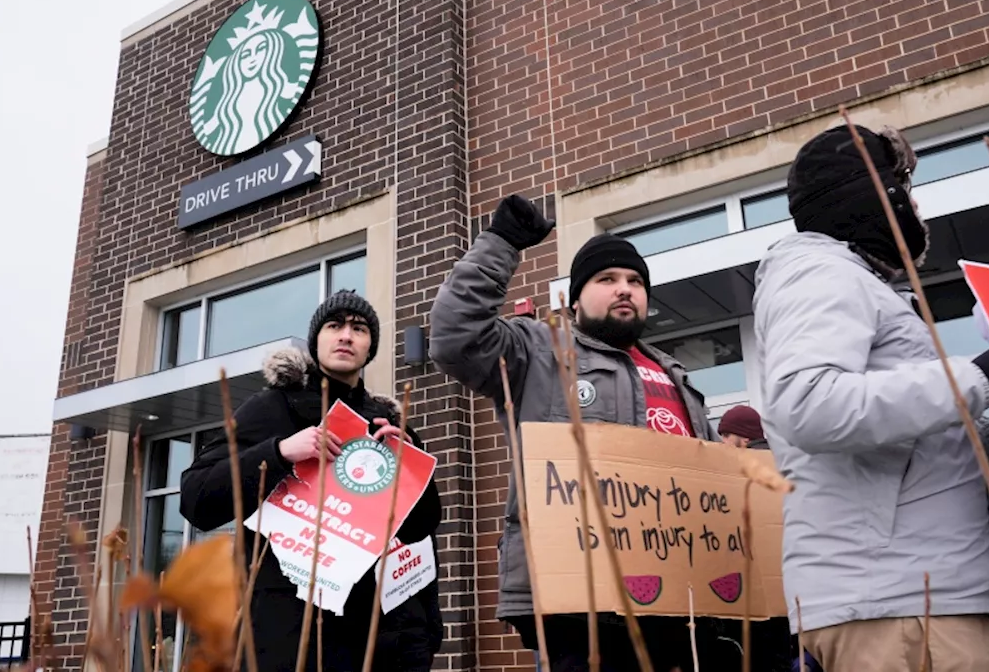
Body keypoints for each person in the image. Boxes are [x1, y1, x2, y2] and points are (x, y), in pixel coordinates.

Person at [753, 124, 989, 671]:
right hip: (895, 607)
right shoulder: (821, 273)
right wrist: (978, 377)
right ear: (877, 197)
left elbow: (898, 455)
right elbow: (810, 404)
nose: (917, 206)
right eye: (906, 189)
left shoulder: (851, 281)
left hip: (910, 600)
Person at [429, 195, 721, 672]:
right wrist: (500, 244)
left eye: (634, 281)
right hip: (578, 602)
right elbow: (454, 338)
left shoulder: (677, 376)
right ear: (577, 296)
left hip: (677, 602)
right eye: (607, 280)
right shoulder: (538, 351)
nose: (624, 289)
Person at [180, 290, 444, 672]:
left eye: (359, 329)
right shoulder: (273, 407)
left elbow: (422, 529)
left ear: (370, 347)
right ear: (316, 339)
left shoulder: (387, 424)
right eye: (334, 326)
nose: (346, 336)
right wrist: (280, 451)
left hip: (379, 638)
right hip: (290, 632)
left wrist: (410, 466)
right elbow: (196, 499)